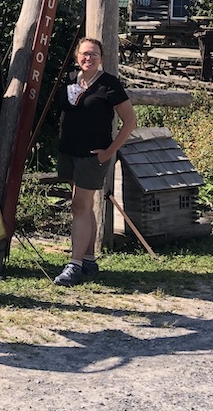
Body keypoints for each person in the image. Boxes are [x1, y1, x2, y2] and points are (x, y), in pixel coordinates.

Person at [53, 37, 137, 287]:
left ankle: (74, 264)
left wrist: (108, 152)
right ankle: (88, 258)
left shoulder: (109, 85)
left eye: (94, 55)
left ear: (102, 58)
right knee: (84, 206)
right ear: (77, 56)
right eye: (84, 54)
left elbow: (129, 121)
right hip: (69, 151)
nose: (88, 58)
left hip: (93, 155)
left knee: (79, 206)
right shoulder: (69, 80)